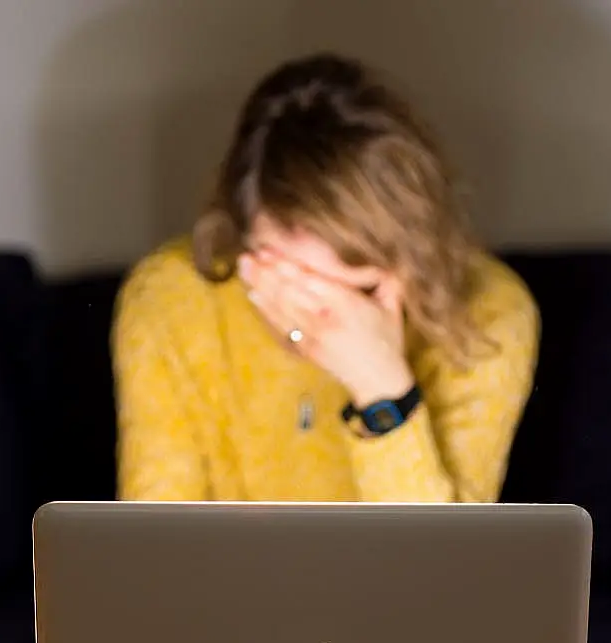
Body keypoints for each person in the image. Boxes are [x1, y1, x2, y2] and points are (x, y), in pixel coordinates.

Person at [112, 53, 540, 503]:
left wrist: (382, 391)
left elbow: (436, 567)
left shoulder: (489, 315)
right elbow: (156, 546)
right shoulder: (170, 298)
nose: (318, 316)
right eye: (285, 276)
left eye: (360, 291)